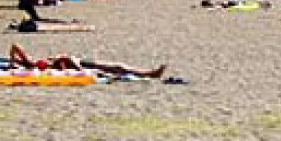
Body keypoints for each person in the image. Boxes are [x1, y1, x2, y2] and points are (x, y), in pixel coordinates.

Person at [9, 43, 166, 79]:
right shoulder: (30, 64)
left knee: (115, 67)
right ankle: (149, 73)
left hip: (75, 63)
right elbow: (16, 47)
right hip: (75, 65)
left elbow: (15, 46)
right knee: (115, 68)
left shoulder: (28, 62)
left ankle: (148, 73)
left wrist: (11, 61)